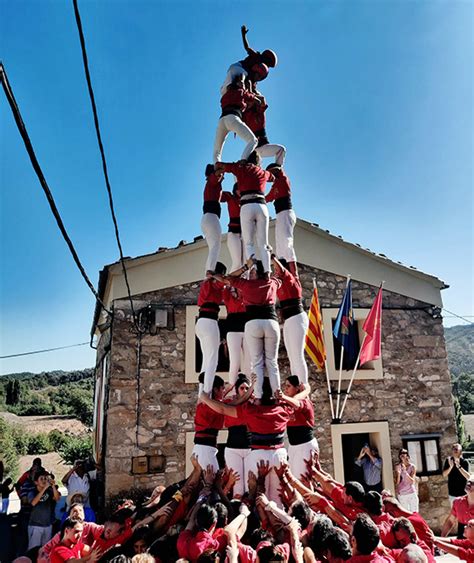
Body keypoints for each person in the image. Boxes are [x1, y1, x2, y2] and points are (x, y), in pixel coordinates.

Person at [201, 384, 293, 505]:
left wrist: (205, 398)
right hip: (278, 455)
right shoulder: (283, 408)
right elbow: (298, 400)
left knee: (256, 497)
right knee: (277, 498)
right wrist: (288, 395)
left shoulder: (250, 410)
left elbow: (223, 408)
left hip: (258, 456)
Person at [212, 258, 282, 399]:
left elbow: (229, 278)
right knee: (237, 361)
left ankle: (252, 390)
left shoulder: (246, 287)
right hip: (237, 327)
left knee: (251, 362)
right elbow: (279, 278)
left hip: (249, 326)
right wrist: (270, 260)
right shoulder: (234, 291)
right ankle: (235, 391)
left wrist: (245, 267)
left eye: (253, 272)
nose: (250, 275)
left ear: (257, 274)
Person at [216, 154, 274, 274]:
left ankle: (253, 270)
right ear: (259, 163)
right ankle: (267, 271)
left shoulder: (241, 168)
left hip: (247, 205)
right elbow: (273, 177)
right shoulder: (263, 172)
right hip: (262, 206)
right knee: (264, 243)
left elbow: (221, 166)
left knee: (249, 243)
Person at [272, 256, 309, 384]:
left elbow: (281, 270)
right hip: (289, 320)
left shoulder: (289, 277)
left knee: (297, 355)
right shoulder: (280, 282)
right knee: (292, 356)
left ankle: (303, 387)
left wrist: (271, 256)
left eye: (276, 269)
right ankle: (296, 385)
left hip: (296, 318)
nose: (275, 272)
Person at [278, 376, 317, 482]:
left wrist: (284, 397)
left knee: (304, 479)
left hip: (305, 445)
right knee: (294, 478)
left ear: (297, 388)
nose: (285, 389)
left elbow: (297, 403)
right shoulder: (286, 404)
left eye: (288, 386)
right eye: (285, 386)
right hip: (293, 446)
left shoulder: (305, 402)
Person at [213, 75, 259, 164]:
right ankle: (243, 160)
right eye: (241, 82)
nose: (243, 84)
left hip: (222, 120)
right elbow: (256, 100)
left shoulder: (225, 95)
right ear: (237, 83)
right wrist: (254, 96)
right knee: (253, 140)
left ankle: (217, 167)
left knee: (217, 150)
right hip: (233, 118)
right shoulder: (241, 91)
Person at [220, 25, 277, 95]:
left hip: (244, 75)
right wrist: (243, 35)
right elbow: (247, 47)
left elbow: (254, 80)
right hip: (240, 68)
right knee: (245, 79)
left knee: (253, 89)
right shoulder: (256, 56)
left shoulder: (262, 71)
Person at [195, 263, 226, 395]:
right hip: (209, 322)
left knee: (206, 361)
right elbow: (223, 282)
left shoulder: (205, 283)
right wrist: (215, 276)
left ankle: (201, 391)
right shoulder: (214, 283)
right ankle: (206, 394)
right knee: (213, 360)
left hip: (200, 323)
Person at [223, 374, 252, 498]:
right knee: (238, 485)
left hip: (250, 448)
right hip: (233, 449)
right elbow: (218, 402)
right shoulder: (230, 402)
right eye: (242, 388)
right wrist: (227, 389)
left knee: (249, 485)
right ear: (237, 390)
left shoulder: (253, 403)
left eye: (247, 388)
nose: (244, 391)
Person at [242, 85, 286, 166]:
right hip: (252, 150)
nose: (248, 103)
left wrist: (252, 93)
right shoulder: (243, 114)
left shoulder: (259, 112)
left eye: (250, 101)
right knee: (246, 167)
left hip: (262, 147)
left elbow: (262, 99)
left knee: (281, 149)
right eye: (247, 102)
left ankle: (277, 171)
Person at [265, 164, 297, 267]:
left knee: (286, 242)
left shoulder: (282, 179)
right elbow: (268, 198)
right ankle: (283, 271)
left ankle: (293, 273)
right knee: (280, 245)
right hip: (280, 214)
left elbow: (278, 169)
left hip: (286, 213)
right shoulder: (276, 183)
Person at [193, 376, 226, 473]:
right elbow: (227, 406)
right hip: (205, 448)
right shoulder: (212, 406)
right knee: (212, 478)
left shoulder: (204, 404)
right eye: (223, 388)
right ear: (216, 389)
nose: (224, 391)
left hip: (203, 447)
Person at [27, 469, 61, 549]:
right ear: (36, 482)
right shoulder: (32, 492)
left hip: (48, 525)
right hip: (35, 525)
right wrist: (44, 489)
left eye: (45, 478)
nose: (44, 481)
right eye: (41, 479)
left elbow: (57, 498)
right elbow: (33, 503)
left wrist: (52, 486)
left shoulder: (49, 492)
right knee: (34, 550)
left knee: (45, 550)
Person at [222, 284, 250, 384]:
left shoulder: (246, 298)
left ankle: (249, 387)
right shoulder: (229, 298)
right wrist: (230, 285)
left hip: (246, 331)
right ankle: (232, 387)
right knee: (235, 361)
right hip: (233, 331)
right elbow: (225, 289)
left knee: (249, 361)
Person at [201, 164, 224, 275]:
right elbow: (215, 175)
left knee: (213, 248)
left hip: (206, 219)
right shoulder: (212, 180)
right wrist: (222, 167)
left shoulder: (212, 186)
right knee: (216, 246)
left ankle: (208, 272)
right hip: (211, 217)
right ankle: (209, 272)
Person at [221, 184, 244, 272]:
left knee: (246, 261)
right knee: (237, 262)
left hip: (245, 233)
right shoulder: (230, 197)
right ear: (235, 190)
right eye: (238, 189)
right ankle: (232, 282)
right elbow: (219, 195)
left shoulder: (247, 201)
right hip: (233, 232)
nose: (240, 191)